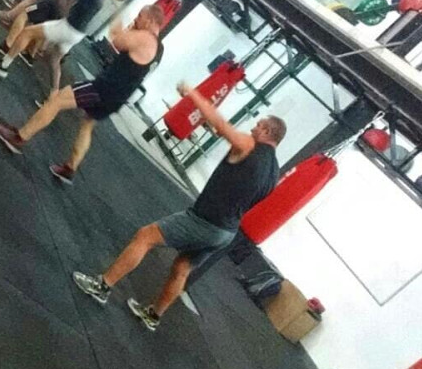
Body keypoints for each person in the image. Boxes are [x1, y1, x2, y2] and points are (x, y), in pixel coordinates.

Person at [72, 88, 286, 331]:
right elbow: (223, 136)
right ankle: (153, 315)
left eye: (259, 125)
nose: (253, 128)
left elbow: (221, 124)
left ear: (267, 132)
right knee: (182, 269)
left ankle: (102, 286)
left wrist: (192, 94)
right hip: (225, 233)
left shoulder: (249, 146)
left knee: (145, 236)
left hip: (204, 222)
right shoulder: (273, 174)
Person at [0, 5, 164, 185]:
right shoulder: (159, 48)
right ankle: (69, 169)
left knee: (57, 101)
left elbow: (116, 39)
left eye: (140, 16)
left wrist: (117, 9)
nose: (136, 18)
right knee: (87, 124)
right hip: (117, 97)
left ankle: (19, 137)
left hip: (103, 89)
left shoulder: (145, 38)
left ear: (150, 20)